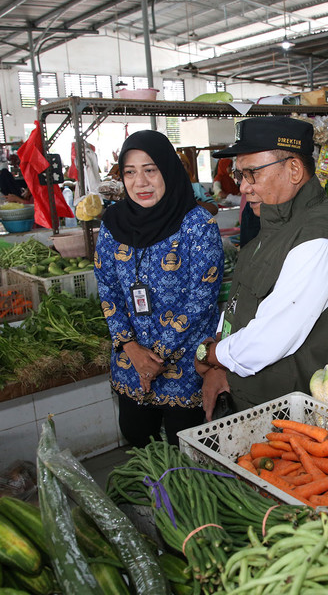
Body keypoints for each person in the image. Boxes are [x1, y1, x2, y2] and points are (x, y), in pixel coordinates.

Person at [193, 117, 328, 418]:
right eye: (239, 174)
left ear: (294, 170)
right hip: (257, 399)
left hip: (293, 414)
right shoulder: (276, 223)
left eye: (252, 173)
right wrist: (220, 363)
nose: (244, 187)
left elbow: (267, 340)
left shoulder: (317, 241)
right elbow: (240, 301)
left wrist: (210, 355)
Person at [93, 129, 224, 447]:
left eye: (150, 170)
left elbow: (201, 300)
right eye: (130, 172)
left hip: (187, 366)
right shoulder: (113, 223)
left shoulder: (197, 225)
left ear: (167, 169)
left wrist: (156, 358)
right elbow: (108, 288)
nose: (140, 182)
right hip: (131, 362)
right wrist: (130, 348)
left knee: (189, 451)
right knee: (138, 440)